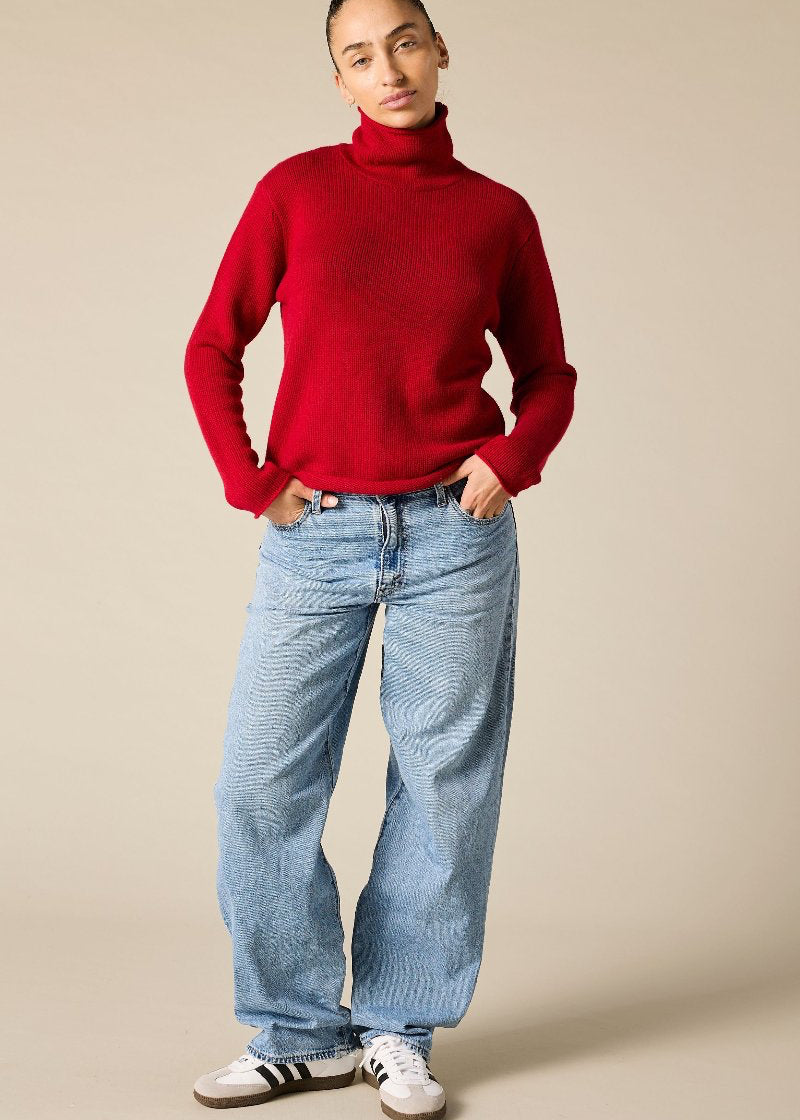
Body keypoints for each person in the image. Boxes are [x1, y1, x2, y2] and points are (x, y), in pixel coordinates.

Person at [184, 0, 577, 1114]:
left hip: (456, 532)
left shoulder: (495, 213)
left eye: (404, 41)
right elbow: (212, 345)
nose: (387, 68)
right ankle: (297, 1029)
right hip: (315, 533)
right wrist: (252, 480)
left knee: (444, 786)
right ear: (339, 80)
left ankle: (398, 1027)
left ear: (438, 49)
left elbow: (548, 374)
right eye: (358, 55)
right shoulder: (295, 191)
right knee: (260, 783)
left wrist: (512, 458)